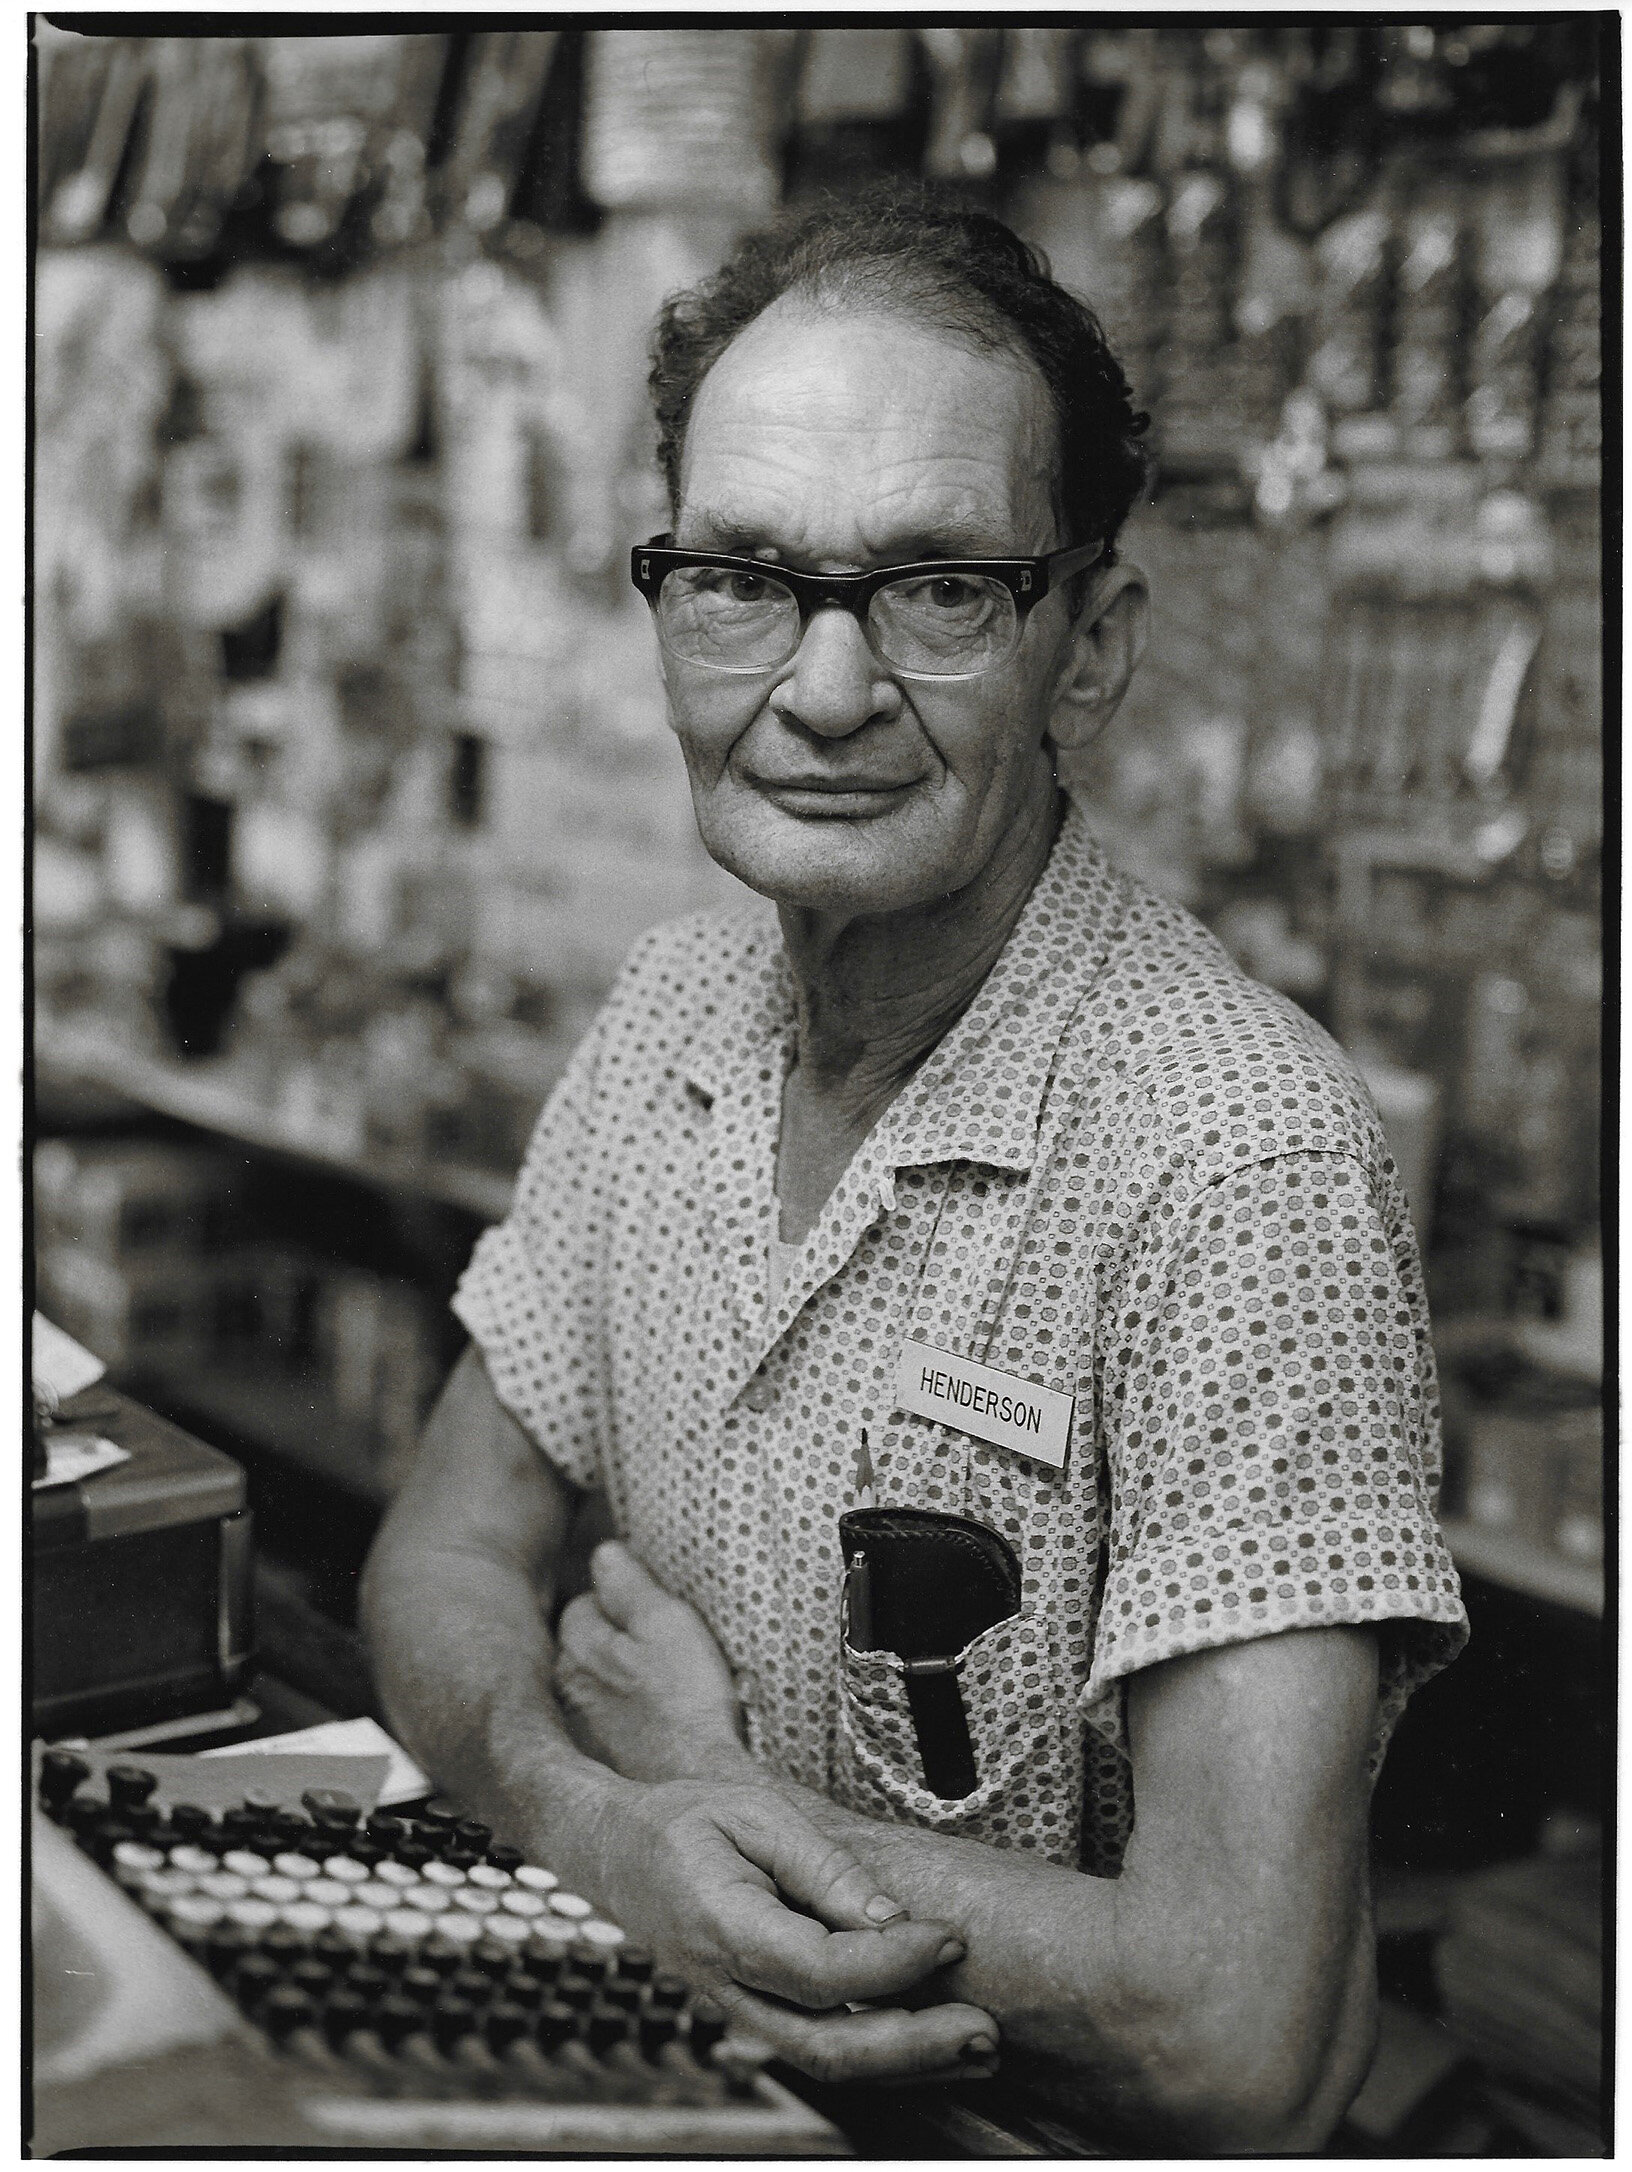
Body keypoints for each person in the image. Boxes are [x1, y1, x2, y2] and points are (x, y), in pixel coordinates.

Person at [363, 190, 1467, 2149]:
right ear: (668, 602)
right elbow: (444, 1548)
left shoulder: (1241, 1166)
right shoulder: (667, 1015)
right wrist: (590, 1822)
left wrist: (731, 1805)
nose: (827, 688)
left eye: (941, 587)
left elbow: (1241, 2028)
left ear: (1090, 646)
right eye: (744, 580)